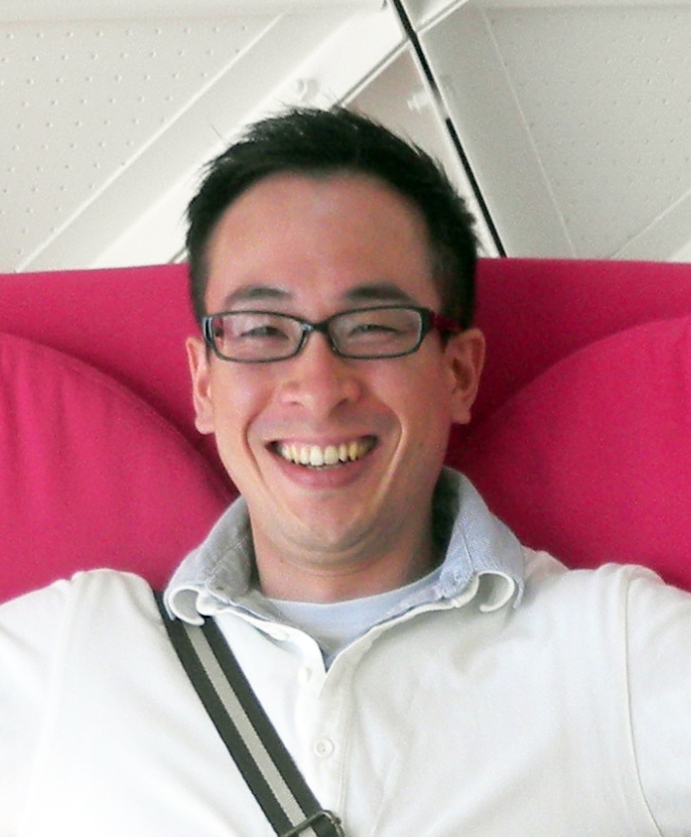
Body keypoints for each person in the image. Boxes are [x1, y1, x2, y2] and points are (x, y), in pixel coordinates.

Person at [1, 106, 689, 836]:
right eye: (261, 330)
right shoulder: (69, 651)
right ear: (203, 384)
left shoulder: (613, 647)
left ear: (458, 373)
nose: (318, 387)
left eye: (372, 327)